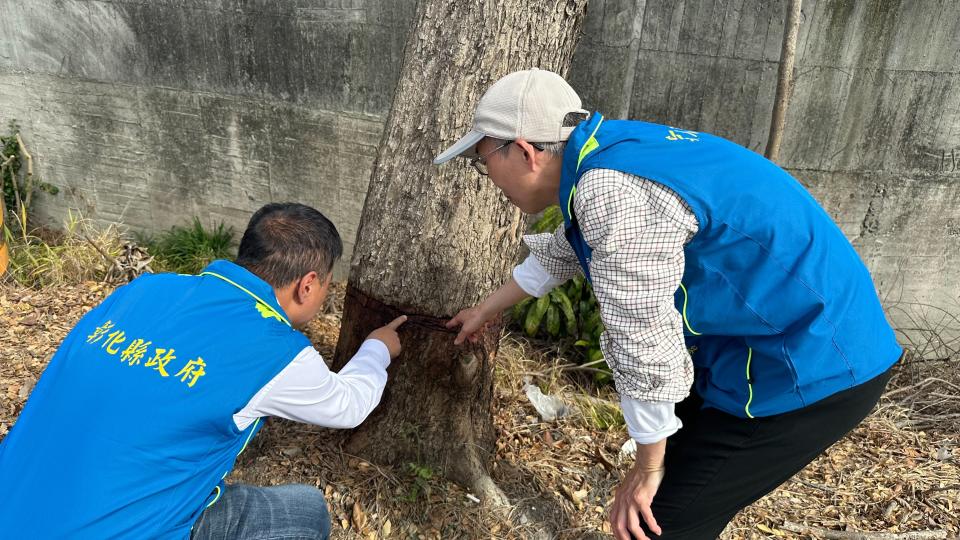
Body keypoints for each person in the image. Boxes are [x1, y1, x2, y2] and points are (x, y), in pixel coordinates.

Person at [438, 69, 902, 539]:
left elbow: (641, 334)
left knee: (665, 522)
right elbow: (571, 247)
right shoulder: (606, 150)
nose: (486, 176)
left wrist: (646, 467)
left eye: (483, 160)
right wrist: (486, 310)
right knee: (667, 502)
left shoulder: (608, 191)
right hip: (780, 336)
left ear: (524, 151)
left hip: (811, 360)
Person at [0, 202, 407, 539]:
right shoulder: (275, 350)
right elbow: (348, 404)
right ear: (308, 284)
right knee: (305, 510)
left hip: (13, 501)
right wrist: (377, 348)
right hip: (126, 529)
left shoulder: (145, 289)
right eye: (326, 286)